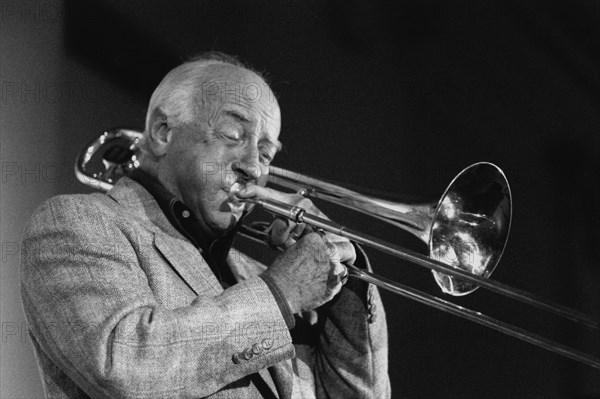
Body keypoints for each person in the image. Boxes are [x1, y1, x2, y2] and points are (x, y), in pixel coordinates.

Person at [20, 52, 390, 398]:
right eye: (233, 135)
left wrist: (345, 287)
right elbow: (122, 363)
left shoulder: (255, 274)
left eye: (265, 152)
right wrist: (281, 295)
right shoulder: (76, 224)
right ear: (163, 131)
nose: (255, 167)